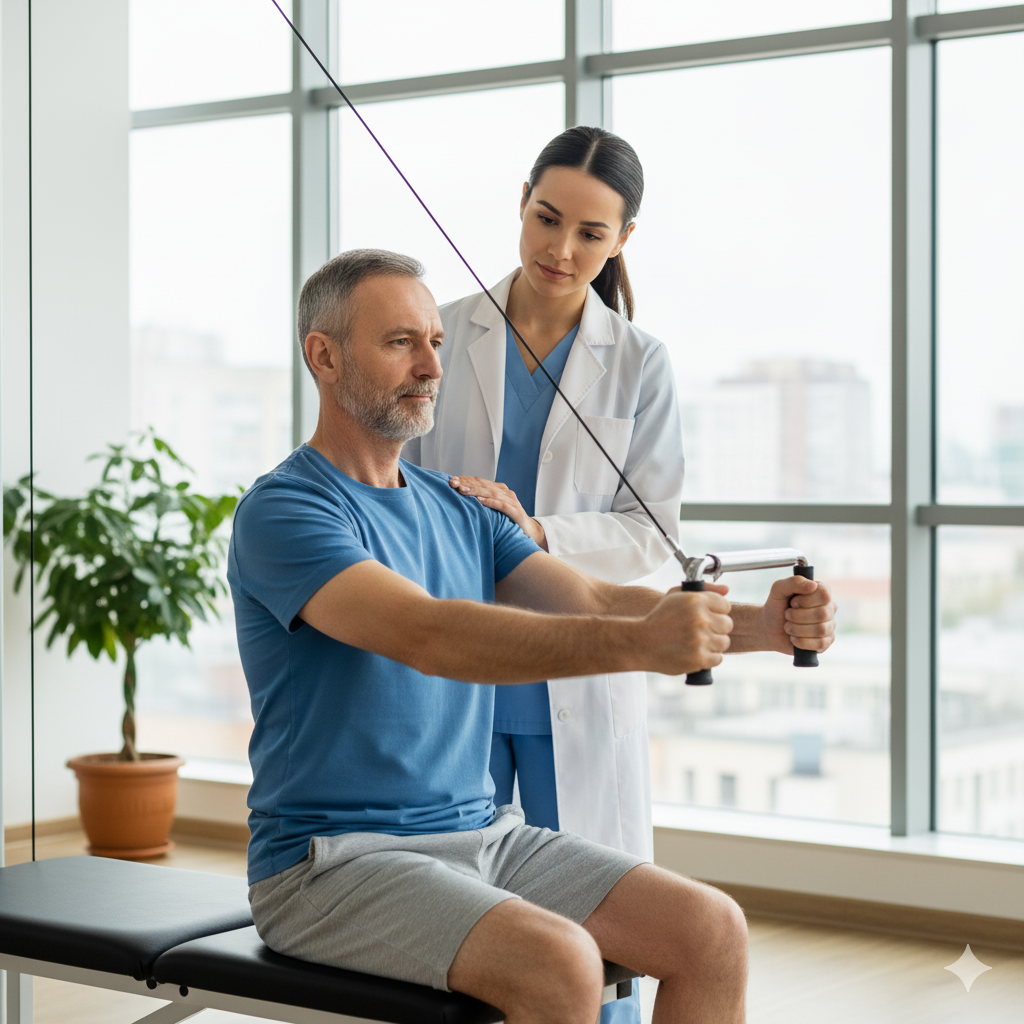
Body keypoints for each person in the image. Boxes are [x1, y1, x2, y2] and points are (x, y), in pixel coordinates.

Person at [227, 249, 836, 1024]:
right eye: (400, 343)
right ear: (324, 355)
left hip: (484, 836)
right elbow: (429, 634)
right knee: (559, 962)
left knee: (711, 931)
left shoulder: (462, 505)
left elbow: (585, 598)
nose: (430, 366)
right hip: (331, 865)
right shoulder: (287, 511)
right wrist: (648, 647)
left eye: (436, 342)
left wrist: (760, 628)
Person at [403, 131, 693, 1016]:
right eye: (546, 218)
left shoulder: (639, 362)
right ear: (522, 199)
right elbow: (383, 488)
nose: (561, 251)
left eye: (591, 235)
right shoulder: (443, 333)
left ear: (623, 241)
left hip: (575, 666)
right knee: (457, 912)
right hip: (464, 668)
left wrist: (536, 531)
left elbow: (653, 536)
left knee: (598, 918)